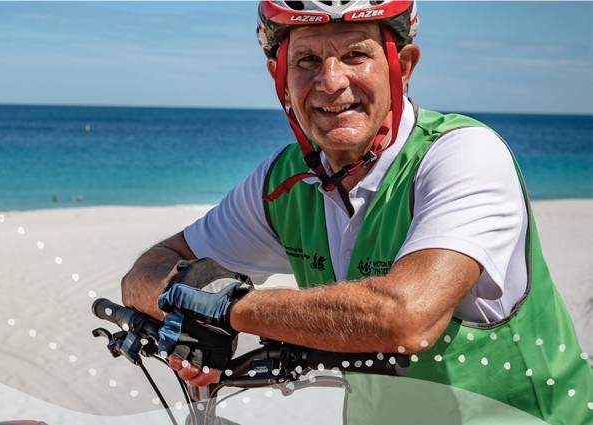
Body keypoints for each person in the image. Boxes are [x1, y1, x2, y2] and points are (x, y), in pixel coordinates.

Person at [121, 1, 592, 424]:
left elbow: (406, 318)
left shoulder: (463, 155)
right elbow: (147, 271)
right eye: (307, 60)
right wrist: (187, 301)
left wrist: (225, 307)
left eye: (355, 55)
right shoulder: (283, 180)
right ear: (278, 76)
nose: (331, 82)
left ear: (403, 67)